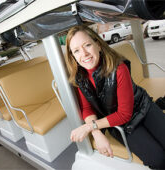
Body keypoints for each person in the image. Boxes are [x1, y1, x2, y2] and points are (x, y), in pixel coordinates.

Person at [65, 25, 165, 170]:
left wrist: (89, 127)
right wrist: (97, 133)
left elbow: (124, 113)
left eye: (87, 45)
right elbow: (86, 109)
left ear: (98, 45)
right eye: (76, 50)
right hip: (119, 123)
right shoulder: (79, 78)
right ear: (73, 56)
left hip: (142, 107)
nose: (84, 53)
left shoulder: (119, 68)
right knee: (158, 159)